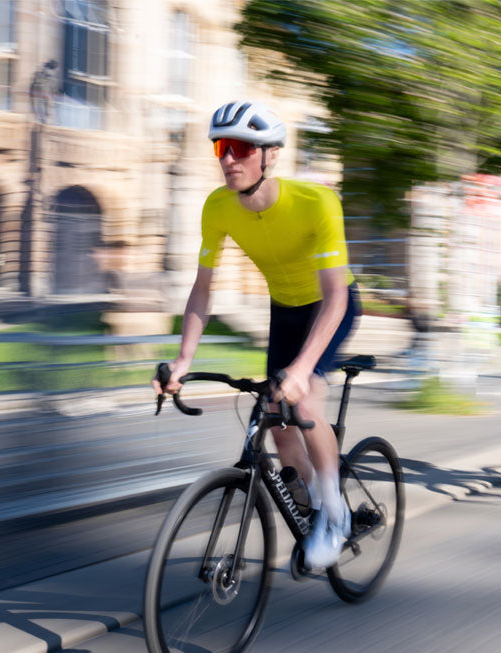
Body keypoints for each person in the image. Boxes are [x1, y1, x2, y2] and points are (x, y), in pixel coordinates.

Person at [152, 101, 362, 569]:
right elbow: (202, 290)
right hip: (285, 311)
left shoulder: (317, 202)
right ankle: (305, 507)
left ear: (271, 155)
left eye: (241, 148)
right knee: (278, 424)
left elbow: (335, 298)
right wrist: (183, 360)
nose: (229, 158)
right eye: (221, 148)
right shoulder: (219, 206)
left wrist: (303, 370)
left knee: (304, 401)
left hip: (331, 306)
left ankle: (335, 513)